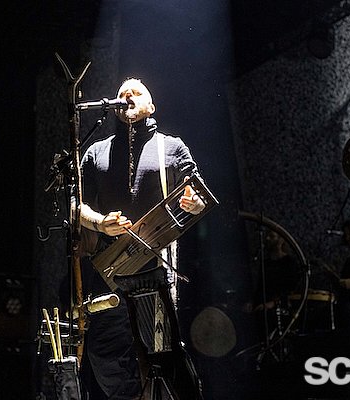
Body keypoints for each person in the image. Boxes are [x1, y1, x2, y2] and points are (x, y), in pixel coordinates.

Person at [77, 77, 205, 399]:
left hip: (154, 268)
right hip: (109, 269)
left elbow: (198, 194)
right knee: (105, 351)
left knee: (161, 353)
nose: (127, 96)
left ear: (152, 106)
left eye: (136, 92)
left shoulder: (171, 147)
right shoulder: (96, 152)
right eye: (122, 93)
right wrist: (100, 223)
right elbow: (76, 206)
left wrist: (194, 202)